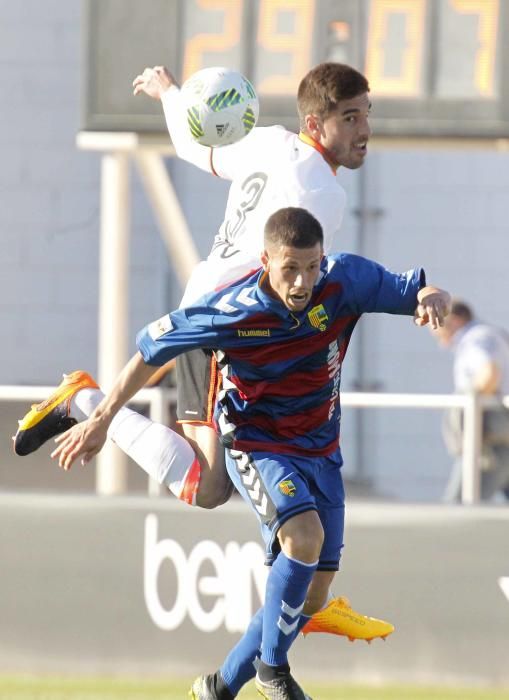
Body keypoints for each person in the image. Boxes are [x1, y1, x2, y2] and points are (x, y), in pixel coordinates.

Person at [15, 208, 451, 700]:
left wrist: (430, 295)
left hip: (321, 446)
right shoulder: (233, 309)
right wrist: (103, 418)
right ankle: (272, 669)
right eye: (290, 269)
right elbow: (151, 351)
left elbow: (408, 290)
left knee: (313, 592)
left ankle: (221, 686)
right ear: (266, 261)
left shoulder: (343, 279)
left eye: (311, 267)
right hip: (256, 441)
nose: (303, 281)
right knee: (300, 537)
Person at [131, 60, 387, 641]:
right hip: (228, 330)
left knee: (217, 482)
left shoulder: (265, 142)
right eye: (350, 118)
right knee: (232, 477)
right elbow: (290, 281)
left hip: (209, 314)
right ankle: (306, 605)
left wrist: (172, 94)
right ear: (316, 123)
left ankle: (308, 597)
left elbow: (200, 149)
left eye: (367, 114)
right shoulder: (320, 193)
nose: (364, 129)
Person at [432, 300, 509, 502]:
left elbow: (489, 373)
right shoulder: (490, 335)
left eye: (437, 327)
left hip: (491, 444)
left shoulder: (476, 339)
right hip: (499, 438)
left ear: (454, 321)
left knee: (457, 510)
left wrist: (472, 408)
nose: (436, 335)